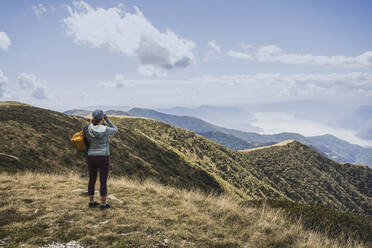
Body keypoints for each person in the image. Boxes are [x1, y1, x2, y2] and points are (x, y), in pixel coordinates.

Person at [86, 110, 118, 210]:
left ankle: (91, 202)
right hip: (103, 157)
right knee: (103, 181)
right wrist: (107, 118)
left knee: (92, 179)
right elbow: (115, 129)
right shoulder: (105, 129)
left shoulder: (89, 127)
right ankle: (103, 204)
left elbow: (91, 125)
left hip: (91, 156)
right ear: (101, 118)